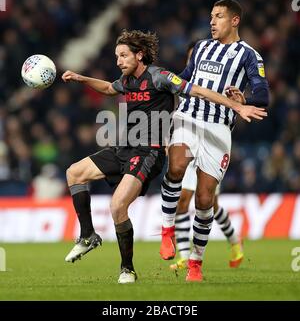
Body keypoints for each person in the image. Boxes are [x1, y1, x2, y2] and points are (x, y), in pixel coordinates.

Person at [62, 29, 266, 284]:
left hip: (148, 152)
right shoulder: (126, 81)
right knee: (74, 172)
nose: (119, 61)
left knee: (117, 206)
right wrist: (81, 78)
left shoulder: (161, 77)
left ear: (140, 55)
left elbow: (199, 91)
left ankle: (127, 269)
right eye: (117, 56)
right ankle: (88, 235)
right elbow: (107, 88)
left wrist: (237, 105)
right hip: (122, 148)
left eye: (123, 56)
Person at [160, 0, 269, 282]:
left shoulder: (248, 55)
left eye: (218, 16)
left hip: (219, 127)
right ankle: (167, 230)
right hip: (188, 117)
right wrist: (160, 84)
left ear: (235, 21)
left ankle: (196, 262)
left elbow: (262, 93)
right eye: (211, 16)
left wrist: (246, 99)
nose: (212, 21)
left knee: (205, 199)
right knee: (176, 167)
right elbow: (185, 79)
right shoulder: (200, 48)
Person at [170, 41, 244, 271]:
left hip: (210, 145)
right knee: (182, 200)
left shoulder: (216, 87)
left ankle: (234, 241)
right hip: (187, 142)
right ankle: (183, 255)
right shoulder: (182, 87)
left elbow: (230, 115)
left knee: (209, 203)